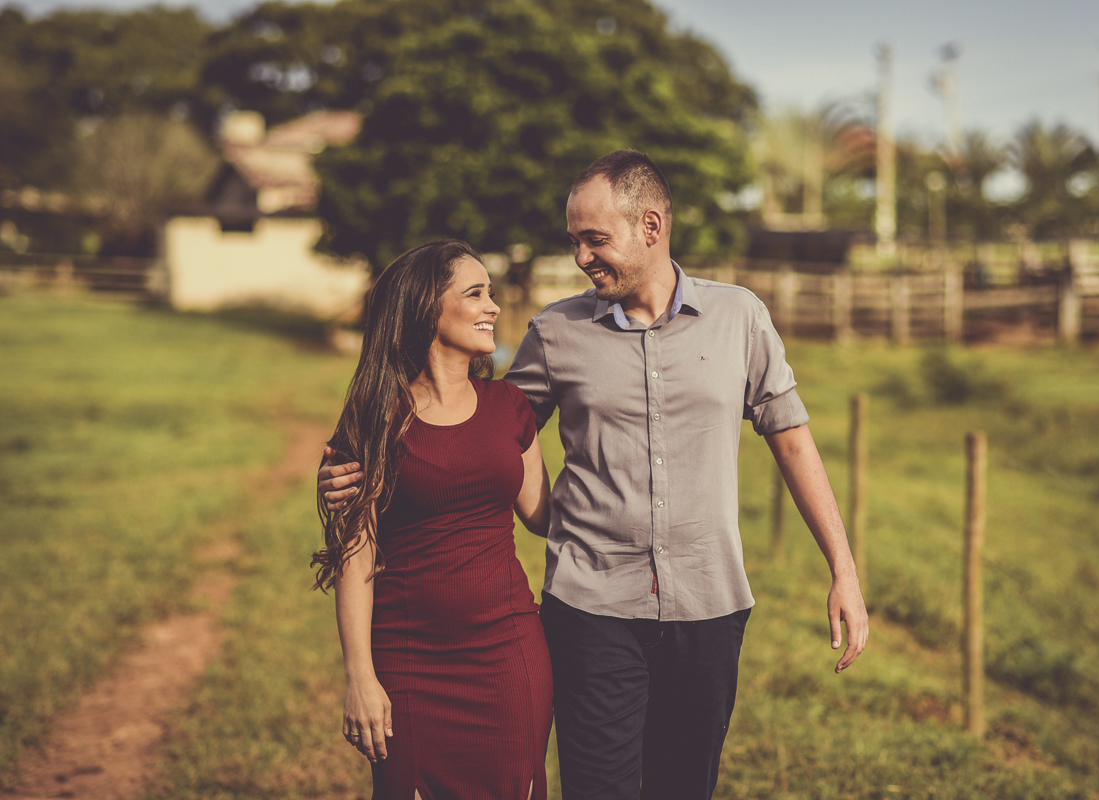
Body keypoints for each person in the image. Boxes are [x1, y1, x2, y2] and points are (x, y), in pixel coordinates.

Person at [320, 151, 868, 800]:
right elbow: (487, 427)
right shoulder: (556, 333)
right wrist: (363, 469)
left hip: (710, 605)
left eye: (595, 239)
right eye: (575, 240)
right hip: (591, 607)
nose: (581, 256)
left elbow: (794, 442)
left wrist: (843, 568)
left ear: (652, 227)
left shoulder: (740, 319)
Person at [312, 239, 554, 800]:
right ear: (426, 307)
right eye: (475, 293)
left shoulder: (509, 407)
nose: (493, 306)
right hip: (408, 660)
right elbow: (356, 552)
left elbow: (543, 514)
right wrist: (359, 675)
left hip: (507, 656)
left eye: (491, 293)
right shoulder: (375, 414)